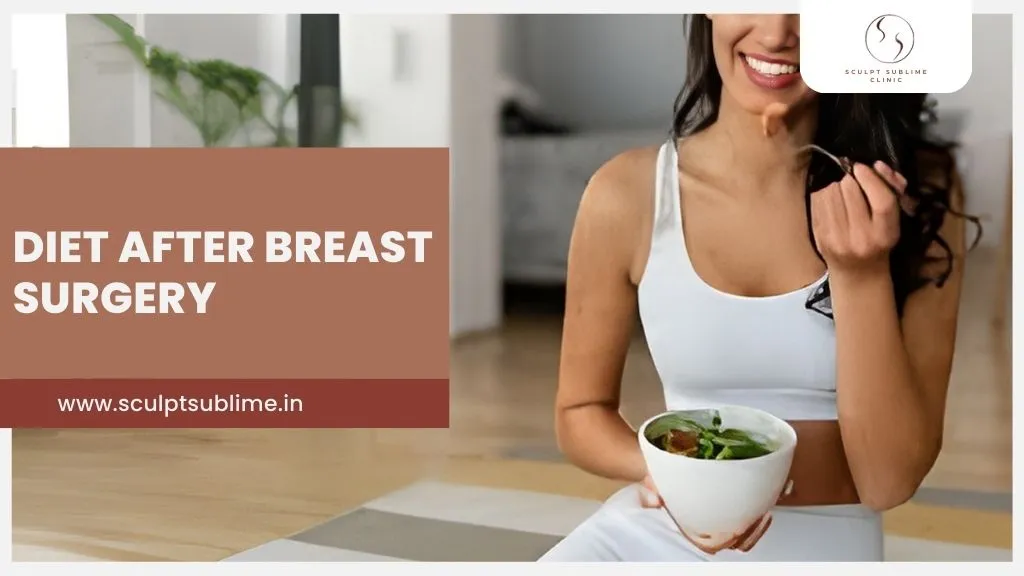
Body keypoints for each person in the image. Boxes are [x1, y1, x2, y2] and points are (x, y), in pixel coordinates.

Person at [540, 14, 974, 562]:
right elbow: (580, 411)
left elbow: (888, 481)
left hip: (823, 543)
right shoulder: (626, 193)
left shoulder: (916, 192)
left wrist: (859, 274)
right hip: (652, 531)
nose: (775, 33)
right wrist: (673, 476)